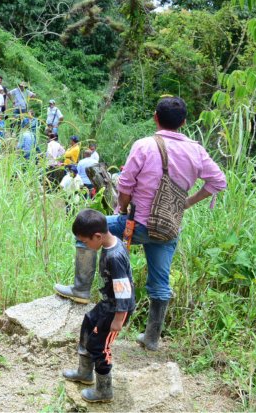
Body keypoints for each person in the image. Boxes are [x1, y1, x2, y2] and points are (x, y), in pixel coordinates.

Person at [54, 96, 227, 351]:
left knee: (83, 233)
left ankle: (81, 289)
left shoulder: (145, 145)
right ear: (184, 122)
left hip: (137, 224)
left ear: (156, 117)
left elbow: (125, 186)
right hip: (168, 228)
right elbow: (218, 182)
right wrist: (186, 203)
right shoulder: (197, 150)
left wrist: (121, 209)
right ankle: (151, 338)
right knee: (160, 283)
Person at [61, 209, 135, 403]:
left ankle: (104, 390)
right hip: (108, 302)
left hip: (118, 308)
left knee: (100, 346)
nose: (85, 245)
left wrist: (119, 319)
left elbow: (124, 290)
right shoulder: (110, 244)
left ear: (97, 236)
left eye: (85, 242)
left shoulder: (114, 257)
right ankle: (85, 373)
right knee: (88, 323)